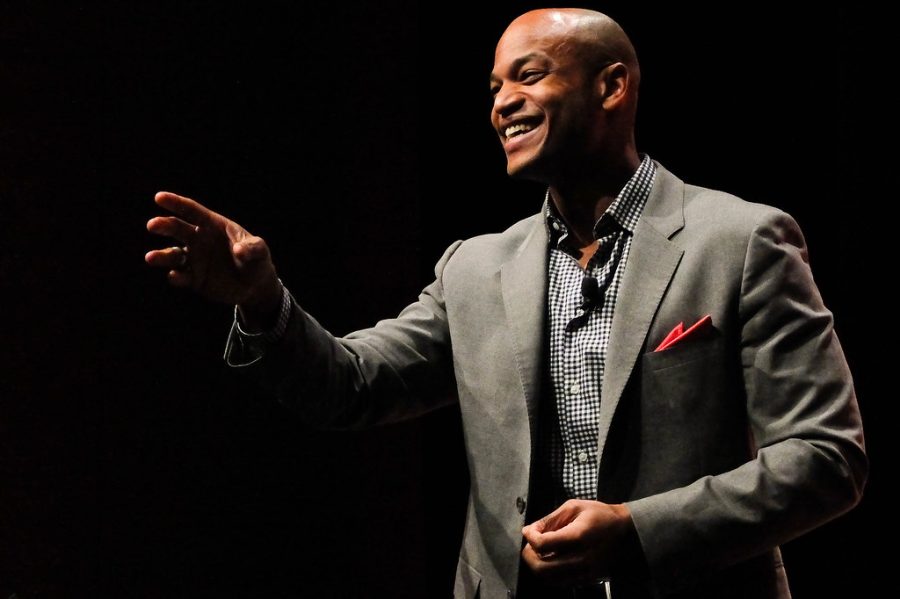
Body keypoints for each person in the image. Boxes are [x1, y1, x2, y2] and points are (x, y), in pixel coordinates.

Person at [145, 8, 866, 598]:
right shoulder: (476, 267)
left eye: (529, 76)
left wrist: (636, 528)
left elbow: (826, 457)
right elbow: (350, 387)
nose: (500, 104)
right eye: (492, 87)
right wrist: (262, 299)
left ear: (611, 87)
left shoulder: (740, 241)